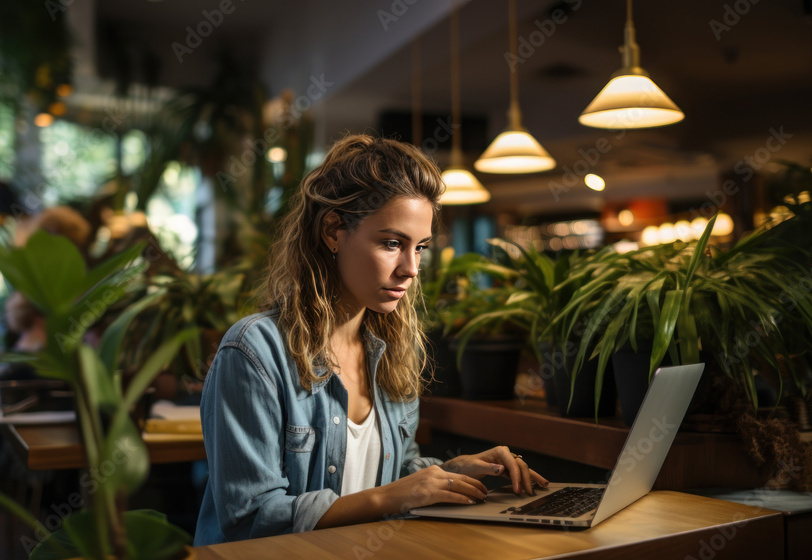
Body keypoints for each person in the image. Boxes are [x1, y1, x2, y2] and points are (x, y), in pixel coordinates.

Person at [194, 135, 548, 545]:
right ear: (333, 231)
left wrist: (459, 470)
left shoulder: (395, 349)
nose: (411, 269)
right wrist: (389, 498)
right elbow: (250, 516)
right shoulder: (255, 350)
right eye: (392, 243)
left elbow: (393, 471)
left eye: (421, 248)